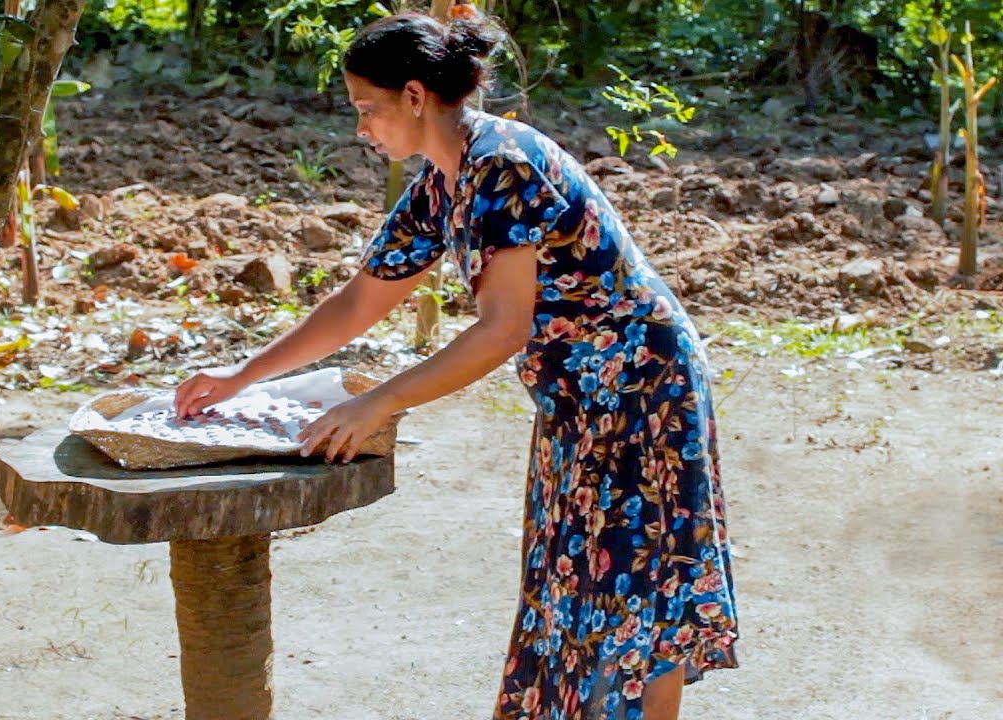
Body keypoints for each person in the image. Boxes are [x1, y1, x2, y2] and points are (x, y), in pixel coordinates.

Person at [174, 7, 739, 719]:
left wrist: (377, 402)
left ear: (415, 96)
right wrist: (243, 377)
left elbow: (503, 330)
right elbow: (359, 303)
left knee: (636, 590)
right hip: (579, 401)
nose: (361, 129)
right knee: (583, 585)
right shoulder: (445, 181)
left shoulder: (502, 163)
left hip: (640, 389)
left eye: (367, 109)